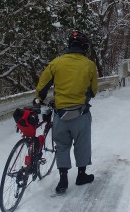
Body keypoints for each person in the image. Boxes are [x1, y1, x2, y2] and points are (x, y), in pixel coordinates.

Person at [34, 31, 98, 194]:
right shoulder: (89, 65)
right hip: (80, 114)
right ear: (84, 47)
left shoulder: (56, 63)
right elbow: (93, 90)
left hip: (60, 115)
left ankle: (63, 179)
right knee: (82, 144)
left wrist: (39, 100)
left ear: (69, 46)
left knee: (62, 146)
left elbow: (42, 87)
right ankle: (81, 175)